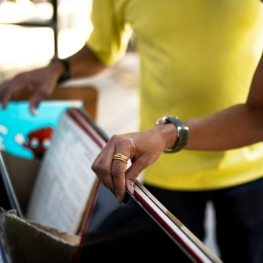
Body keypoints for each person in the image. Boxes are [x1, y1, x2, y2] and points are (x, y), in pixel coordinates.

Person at [1, 1, 263, 262]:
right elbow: (102, 48)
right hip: (166, 165)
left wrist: (164, 135)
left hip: (248, 160)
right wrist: (57, 69)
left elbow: (257, 116)